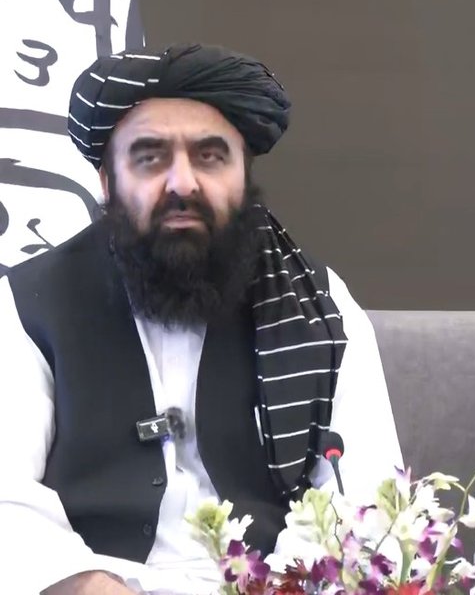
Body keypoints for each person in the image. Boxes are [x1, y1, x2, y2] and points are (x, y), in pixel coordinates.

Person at [0, 43, 402, 595]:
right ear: (106, 181)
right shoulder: (29, 301)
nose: (183, 183)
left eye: (210, 157)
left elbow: (364, 498)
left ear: (244, 175)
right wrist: (87, 583)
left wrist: (276, 588)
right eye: (150, 157)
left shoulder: (318, 307)